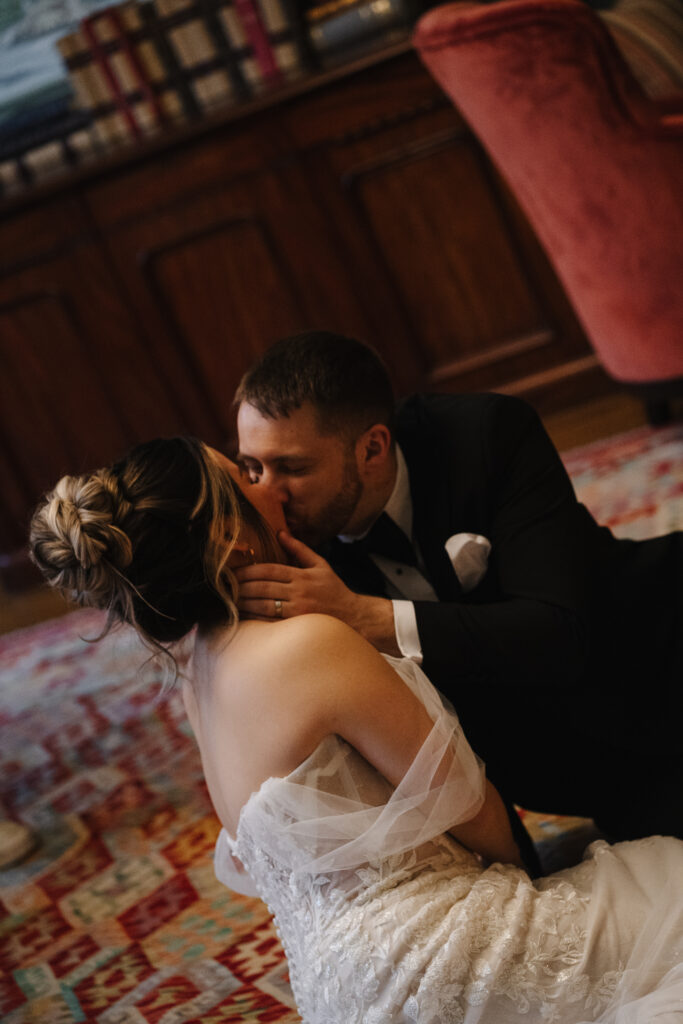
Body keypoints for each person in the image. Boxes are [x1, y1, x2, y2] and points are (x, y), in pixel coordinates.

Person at [28, 436, 683, 1023]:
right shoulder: (309, 644)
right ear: (229, 538)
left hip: (335, 994)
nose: (269, 484)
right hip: (438, 959)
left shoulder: (195, 683)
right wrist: (536, 909)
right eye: (246, 476)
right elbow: (472, 807)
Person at [233, 331, 683, 852]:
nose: (267, 492)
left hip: (650, 651)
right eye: (252, 467)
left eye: (292, 467)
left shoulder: (487, 435)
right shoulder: (280, 545)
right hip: (567, 764)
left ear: (373, 448)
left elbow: (559, 632)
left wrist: (363, 616)